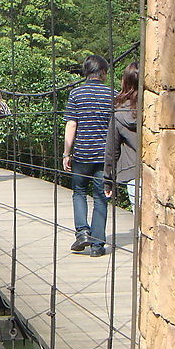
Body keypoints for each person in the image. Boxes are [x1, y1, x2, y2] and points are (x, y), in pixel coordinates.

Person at [62, 54, 115, 258]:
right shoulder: (113, 94)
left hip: (82, 154)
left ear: (86, 71)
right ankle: (97, 245)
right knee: (101, 197)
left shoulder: (76, 94)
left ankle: (82, 232)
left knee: (79, 192)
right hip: (104, 155)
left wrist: (67, 152)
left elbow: (71, 124)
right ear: (102, 72)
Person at [104, 62, 139, 211]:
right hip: (159, 173)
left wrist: (108, 180)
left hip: (133, 173)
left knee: (140, 222)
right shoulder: (157, 108)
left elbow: (111, 150)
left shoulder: (119, 114)